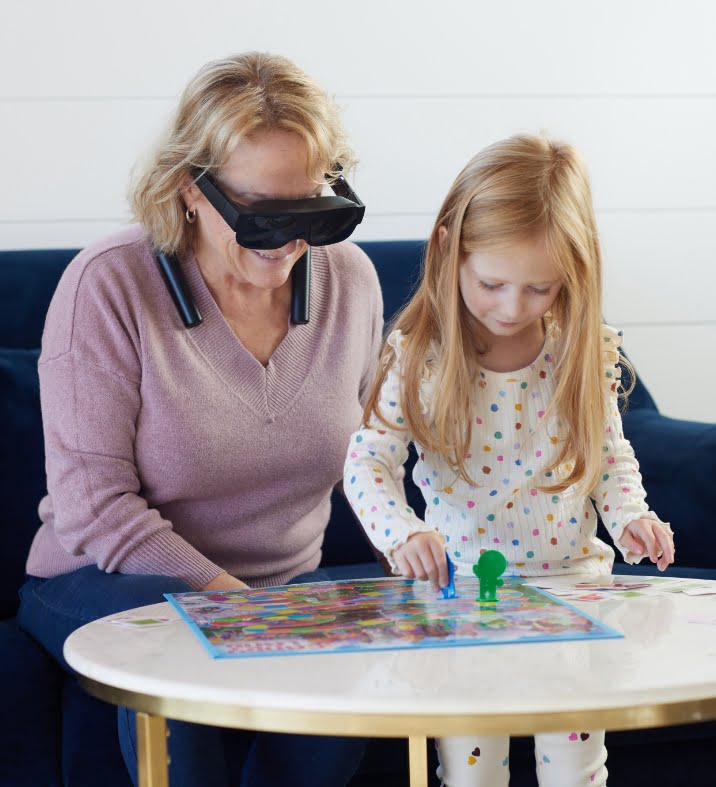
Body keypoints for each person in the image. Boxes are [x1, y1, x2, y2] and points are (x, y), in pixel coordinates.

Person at [18, 51, 382, 787]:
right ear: (190, 188)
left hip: (279, 588)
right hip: (108, 577)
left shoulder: (350, 281)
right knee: (179, 639)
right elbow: (94, 509)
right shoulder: (109, 284)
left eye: (308, 211)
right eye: (257, 217)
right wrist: (236, 608)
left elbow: (382, 450)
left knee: (353, 682)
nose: (285, 242)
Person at [343, 133, 675, 787]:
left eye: (539, 289)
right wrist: (402, 531)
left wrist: (631, 515)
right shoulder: (421, 357)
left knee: (576, 772)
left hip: (575, 599)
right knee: (470, 775)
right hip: (463, 604)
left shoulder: (581, 352)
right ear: (448, 247)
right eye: (492, 282)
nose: (512, 307)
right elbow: (368, 464)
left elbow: (609, 454)